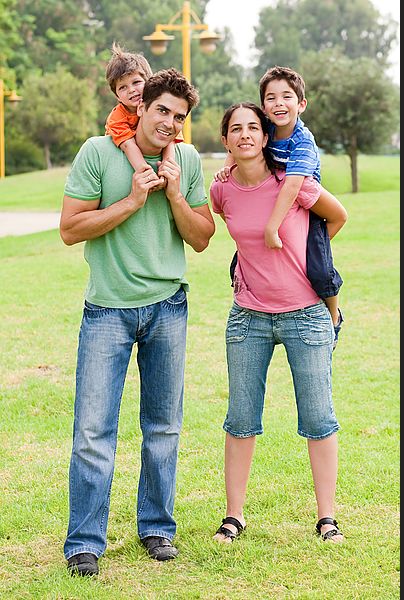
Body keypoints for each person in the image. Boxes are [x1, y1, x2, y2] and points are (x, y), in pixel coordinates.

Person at [60, 68, 215, 576]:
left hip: (168, 308)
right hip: (107, 309)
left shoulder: (186, 160)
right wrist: (130, 200)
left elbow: (201, 237)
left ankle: (157, 529)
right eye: (163, 111)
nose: (170, 123)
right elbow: (70, 229)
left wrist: (172, 194)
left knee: (164, 428)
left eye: (180, 116)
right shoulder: (98, 152)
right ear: (141, 107)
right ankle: (85, 541)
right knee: (92, 431)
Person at [210, 102, 347, 545]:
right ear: (226, 140)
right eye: (236, 129)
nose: (246, 134)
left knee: (318, 417)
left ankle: (327, 518)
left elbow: (338, 215)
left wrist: (308, 253)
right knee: (240, 418)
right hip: (248, 317)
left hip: (306, 315)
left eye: (254, 127)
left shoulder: (292, 183)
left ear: (266, 137)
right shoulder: (222, 192)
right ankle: (234, 516)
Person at [216, 66, 344, 348]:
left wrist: (276, 229)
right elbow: (238, 143)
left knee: (320, 270)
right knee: (239, 265)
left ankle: (333, 318)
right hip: (274, 195)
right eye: (271, 98)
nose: (279, 104)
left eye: (287, 97)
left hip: (307, 208)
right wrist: (228, 168)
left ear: (301, 104)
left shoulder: (303, 142)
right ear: (264, 106)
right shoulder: (266, 129)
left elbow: (292, 186)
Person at [104, 42, 182, 184]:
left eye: (136, 82)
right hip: (124, 161)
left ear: (149, 81)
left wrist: (167, 167)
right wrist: (145, 173)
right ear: (117, 96)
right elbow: (128, 145)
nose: (131, 90)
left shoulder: (161, 109)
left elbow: (170, 140)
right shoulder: (116, 118)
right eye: (122, 87)